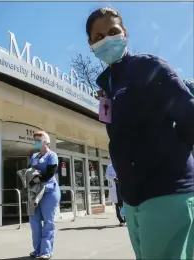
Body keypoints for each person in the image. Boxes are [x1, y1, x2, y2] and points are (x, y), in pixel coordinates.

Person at [86, 7, 194, 260]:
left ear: (125, 34)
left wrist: (172, 156)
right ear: (91, 44)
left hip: (167, 191)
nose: (107, 40)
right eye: (99, 36)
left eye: (113, 32)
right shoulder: (109, 85)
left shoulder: (148, 67)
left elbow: (190, 114)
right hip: (134, 197)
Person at [28, 131, 60, 260]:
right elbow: (29, 170)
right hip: (35, 192)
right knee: (34, 222)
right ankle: (37, 250)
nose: (36, 141)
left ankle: (46, 251)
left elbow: (50, 173)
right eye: (35, 139)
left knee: (48, 222)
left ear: (46, 142)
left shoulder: (52, 156)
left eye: (38, 139)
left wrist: (38, 179)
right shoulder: (34, 156)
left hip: (49, 192)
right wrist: (30, 178)